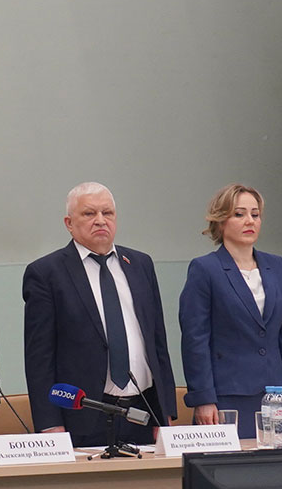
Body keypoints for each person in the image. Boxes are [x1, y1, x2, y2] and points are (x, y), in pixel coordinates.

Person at [22, 183, 178, 447]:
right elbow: (39, 357)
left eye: (107, 213)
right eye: (89, 214)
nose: (100, 220)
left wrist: (165, 413)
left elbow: (157, 343)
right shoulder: (47, 273)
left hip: (142, 411)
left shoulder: (140, 264)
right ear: (69, 223)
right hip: (83, 416)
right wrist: (49, 423)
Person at [178, 184, 282, 438]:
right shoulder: (205, 269)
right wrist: (203, 398)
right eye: (239, 214)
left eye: (255, 214)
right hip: (227, 395)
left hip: (276, 395)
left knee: (277, 460)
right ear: (221, 221)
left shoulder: (276, 266)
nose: (250, 221)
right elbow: (195, 339)